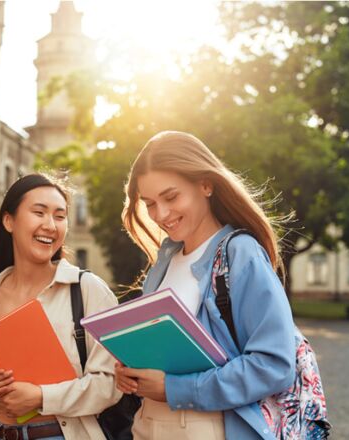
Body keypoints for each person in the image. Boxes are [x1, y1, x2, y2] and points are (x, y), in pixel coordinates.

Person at [114, 131, 297, 439]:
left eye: (171, 197)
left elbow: (274, 365)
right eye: (149, 203)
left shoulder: (240, 253)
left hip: (207, 428)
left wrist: (174, 388)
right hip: (148, 424)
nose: (161, 214)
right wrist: (131, 372)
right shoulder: (165, 260)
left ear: (206, 184)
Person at [0, 174, 122, 440]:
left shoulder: (86, 289)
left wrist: (41, 397)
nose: (50, 225)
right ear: (9, 221)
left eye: (60, 216)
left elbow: (112, 383)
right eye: (39, 212)